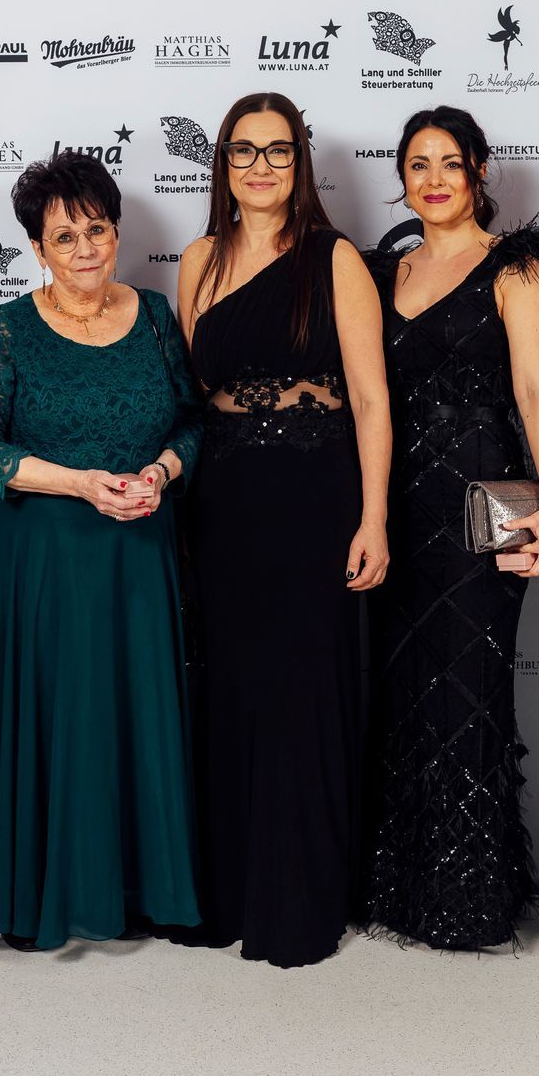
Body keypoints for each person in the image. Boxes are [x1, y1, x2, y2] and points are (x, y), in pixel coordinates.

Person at [0, 152, 202, 951]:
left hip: (138, 553)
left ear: (117, 232)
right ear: (37, 248)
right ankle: (40, 895)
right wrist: (79, 483)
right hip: (43, 560)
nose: (85, 247)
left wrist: (161, 472)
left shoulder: (155, 315)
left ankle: (135, 889)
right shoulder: (9, 328)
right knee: (56, 720)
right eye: (64, 236)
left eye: (97, 229)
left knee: (131, 716)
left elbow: (193, 422)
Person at [168, 91, 391, 968]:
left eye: (278, 151)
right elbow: (193, 397)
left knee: (301, 692)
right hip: (224, 502)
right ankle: (228, 890)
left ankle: (297, 897)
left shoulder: (335, 259)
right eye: (243, 151)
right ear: (223, 164)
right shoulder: (198, 260)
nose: (260, 167)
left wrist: (374, 516)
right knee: (231, 688)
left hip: (314, 498)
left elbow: (370, 399)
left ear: (300, 164)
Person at [358, 107, 539, 951]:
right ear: (402, 179)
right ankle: (399, 883)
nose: (435, 178)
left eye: (451, 162)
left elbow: (536, 390)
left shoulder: (516, 266)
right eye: (418, 164)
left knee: (467, 692)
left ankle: (469, 896)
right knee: (401, 694)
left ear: (479, 169)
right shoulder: (381, 270)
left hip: (482, 508)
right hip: (394, 508)